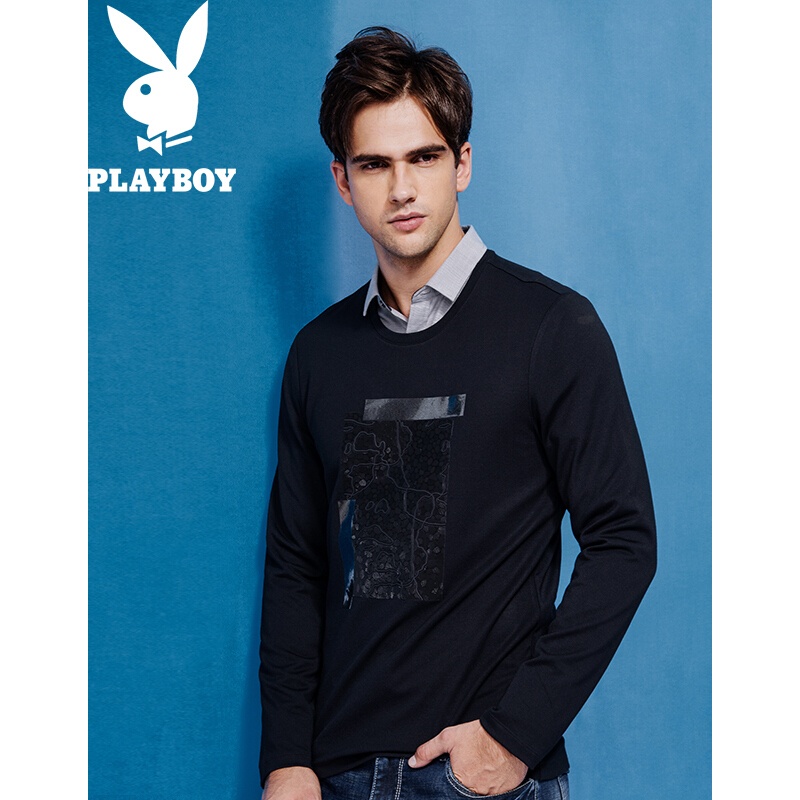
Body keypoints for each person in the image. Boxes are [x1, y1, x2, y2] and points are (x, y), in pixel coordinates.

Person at [259, 27, 656, 800]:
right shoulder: (319, 354)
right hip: (337, 775)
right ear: (342, 181)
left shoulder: (551, 328)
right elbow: (297, 566)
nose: (401, 188)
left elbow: (625, 541)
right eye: (375, 164)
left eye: (424, 157)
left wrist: (513, 738)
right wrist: (287, 758)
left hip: (477, 779)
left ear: (462, 164)